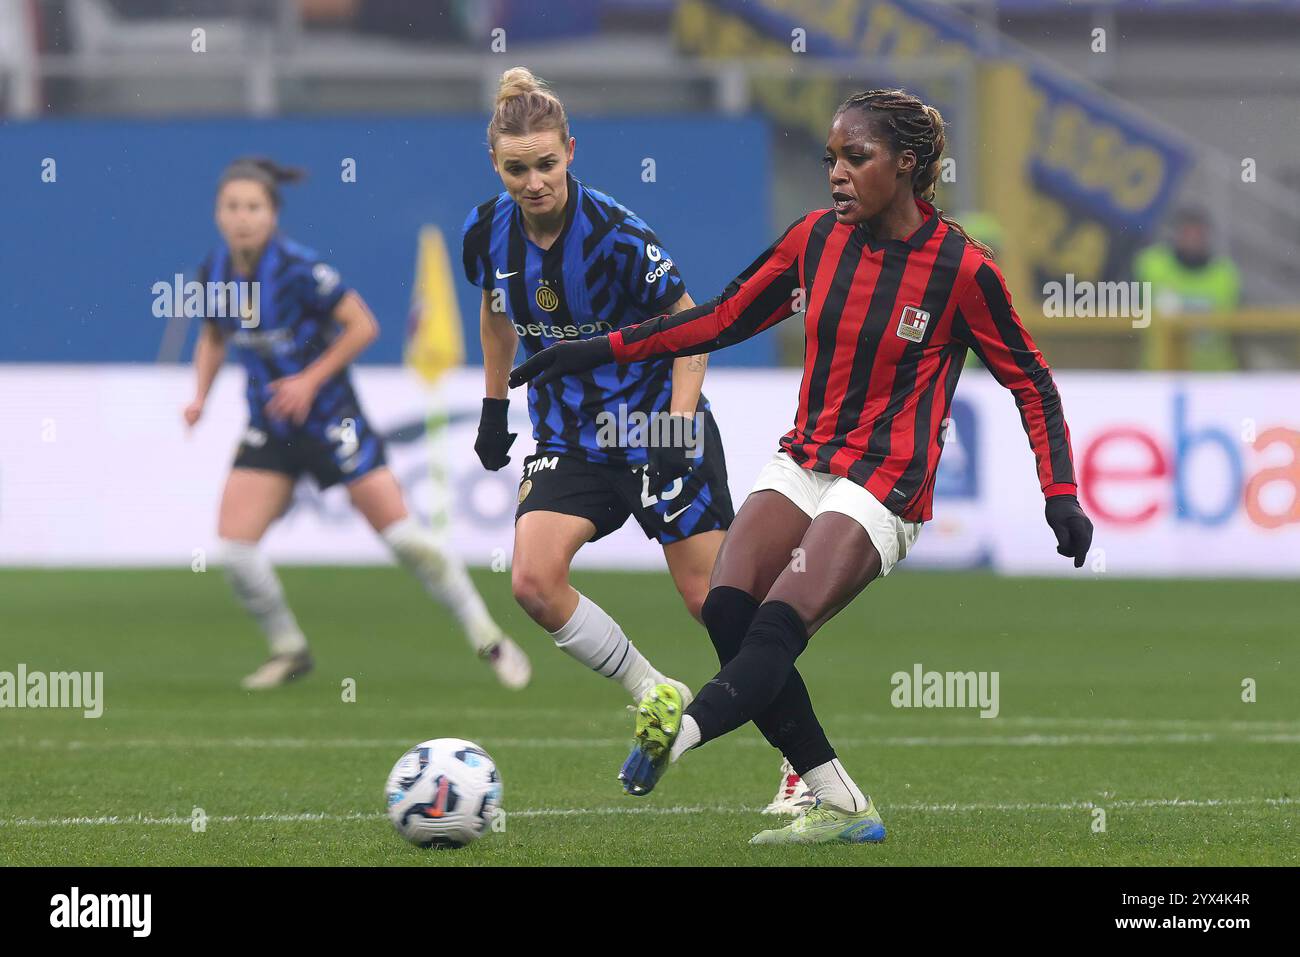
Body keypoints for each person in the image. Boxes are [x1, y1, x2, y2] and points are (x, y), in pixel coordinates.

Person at [511, 89, 1094, 845]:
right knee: (726, 606)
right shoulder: (815, 240)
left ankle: (680, 735)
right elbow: (719, 317)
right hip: (807, 456)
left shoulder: (963, 270)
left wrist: (1062, 492)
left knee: (777, 627)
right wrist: (595, 348)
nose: (838, 174)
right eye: (831, 159)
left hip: (885, 482)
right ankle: (840, 800)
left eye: (857, 157)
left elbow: (1031, 381)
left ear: (906, 165)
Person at [464, 67, 812, 813]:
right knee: (531, 581)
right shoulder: (485, 232)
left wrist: (678, 428)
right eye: (517, 168)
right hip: (571, 437)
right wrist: (495, 406)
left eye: (547, 164)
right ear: (496, 164)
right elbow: (496, 314)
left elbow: (694, 333)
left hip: (657, 422)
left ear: (571, 152)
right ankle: (652, 689)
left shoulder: (619, 237)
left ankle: (801, 767)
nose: (534, 182)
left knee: (716, 604)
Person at [186, 157, 529, 691]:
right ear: (218, 215)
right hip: (272, 428)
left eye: (253, 206)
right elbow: (212, 336)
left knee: (407, 542)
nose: (242, 217)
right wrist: (199, 398)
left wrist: (308, 380)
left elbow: (362, 325)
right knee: (233, 549)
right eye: (232, 207)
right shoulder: (215, 272)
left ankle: (488, 637)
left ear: (273, 214)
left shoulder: (299, 269)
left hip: (331, 422)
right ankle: (289, 649)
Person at [1134, 206, 1241, 371]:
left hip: (1212, 378)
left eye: (1198, 234)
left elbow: (1240, 330)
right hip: (1159, 375)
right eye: (1187, 233)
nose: (1192, 239)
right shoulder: (1151, 266)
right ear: (1177, 234)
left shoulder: (1225, 275)